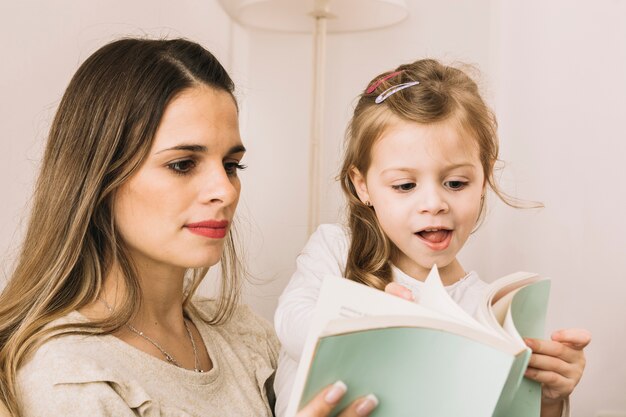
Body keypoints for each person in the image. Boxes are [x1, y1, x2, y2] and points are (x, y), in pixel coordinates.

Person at [0, 38, 378, 417]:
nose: (225, 191)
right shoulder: (69, 377)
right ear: (98, 179)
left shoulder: (245, 335)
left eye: (231, 165)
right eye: (182, 164)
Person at [274, 59, 591, 417]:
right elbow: (290, 321)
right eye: (405, 186)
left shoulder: (487, 311)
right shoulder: (336, 249)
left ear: (484, 179)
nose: (434, 204)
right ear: (363, 186)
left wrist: (549, 396)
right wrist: (377, 320)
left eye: (456, 183)